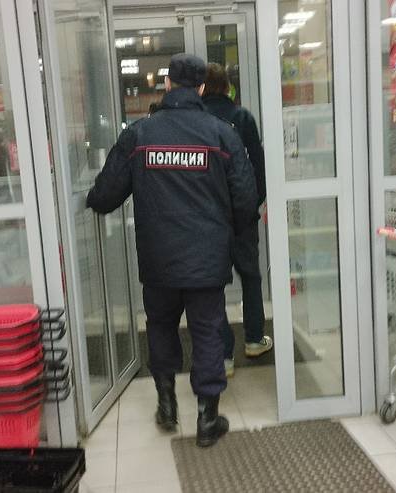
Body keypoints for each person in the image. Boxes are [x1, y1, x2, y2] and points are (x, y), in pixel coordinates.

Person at [86, 53, 257, 448]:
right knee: (207, 331)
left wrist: (90, 199)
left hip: (158, 259)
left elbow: (106, 195)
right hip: (207, 259)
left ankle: (166, 405)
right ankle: (207, 418)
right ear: (202, 87)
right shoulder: (222, 135)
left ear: (166, 84)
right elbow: (246, 200)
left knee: (161, 326)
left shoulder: (140, 135)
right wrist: (226, 231)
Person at [201, 63, 272, 377]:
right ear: (228, 87)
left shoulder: (197, 122)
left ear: (201, 88)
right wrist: (253, 203)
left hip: (208, 219)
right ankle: (254, 340)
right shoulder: (242, 118)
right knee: (251, 277)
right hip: (242, 217)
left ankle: (224, 356)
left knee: (213, 286)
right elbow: (259, 167)